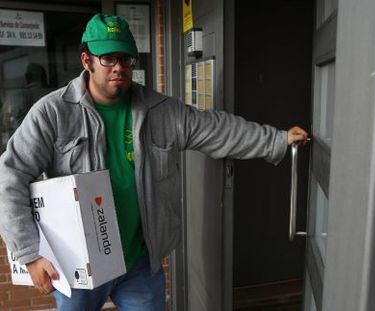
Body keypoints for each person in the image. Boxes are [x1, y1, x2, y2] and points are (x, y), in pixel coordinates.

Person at [0, 13, 308, 310]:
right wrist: (29, 253)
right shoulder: (52, 113)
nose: (118, 67)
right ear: (87, 61)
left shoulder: (160, 111)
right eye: (108, 58)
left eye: (125, 58)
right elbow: (10, 175)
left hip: (139, 264)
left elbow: (217, 129)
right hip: (79, 265)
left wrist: (276, 140)